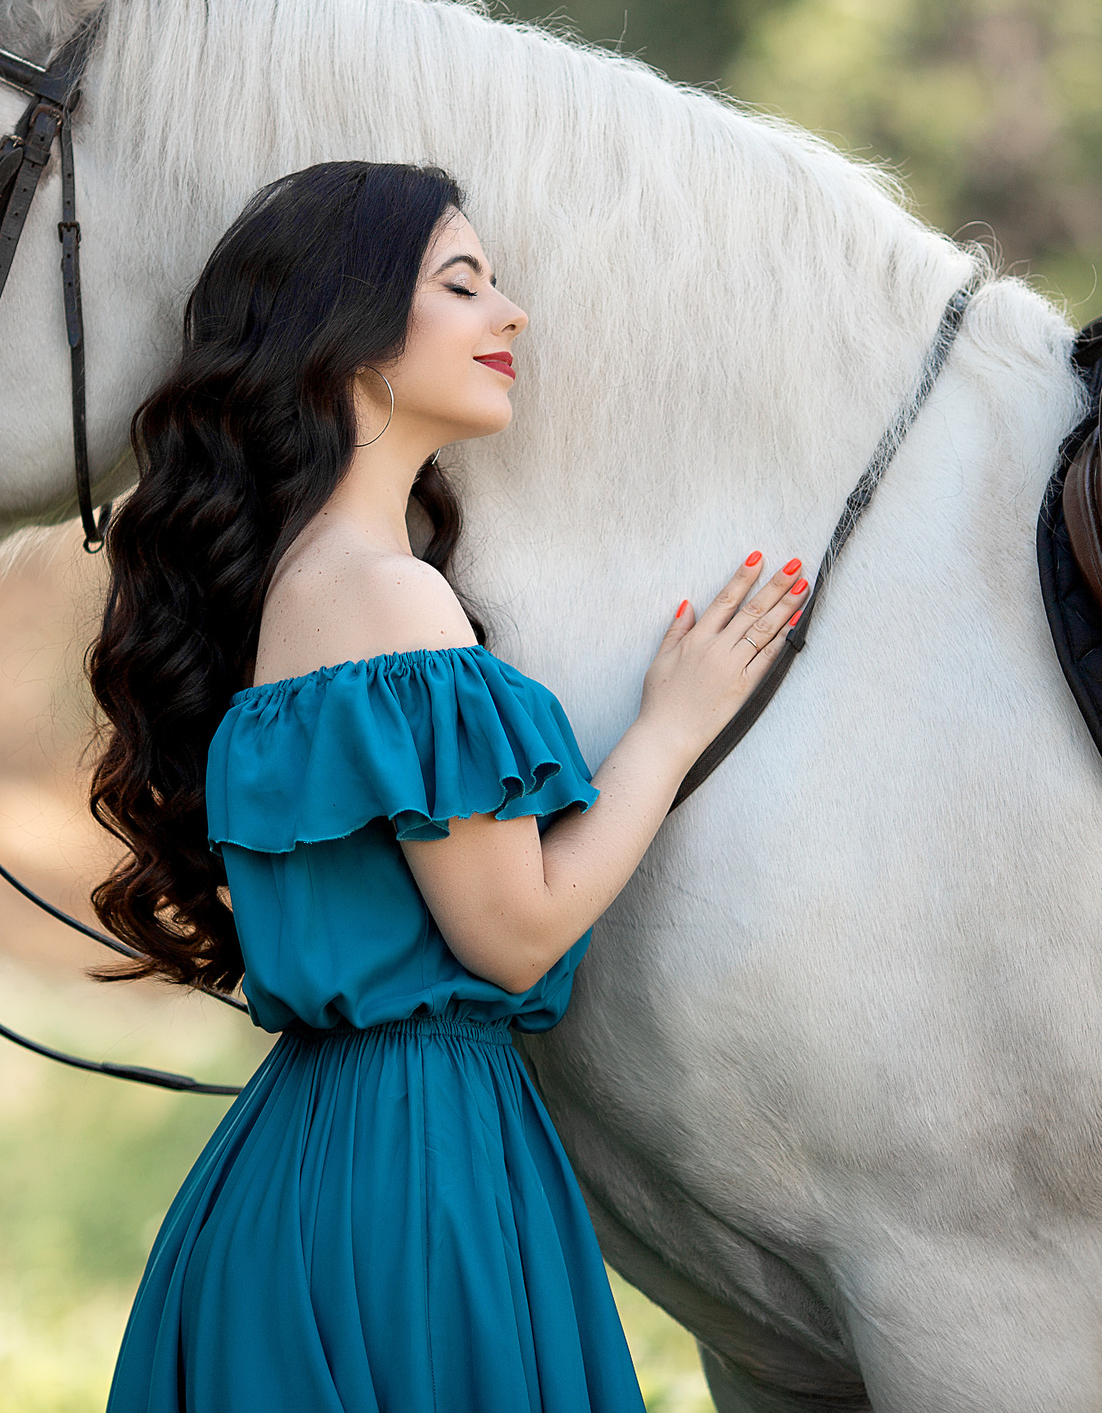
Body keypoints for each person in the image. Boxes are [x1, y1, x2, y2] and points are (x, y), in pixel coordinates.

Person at [88, 160, 804, 1412]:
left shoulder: (308, 588)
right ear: (349, 339)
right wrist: (672, 727)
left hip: (313, 1156)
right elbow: (516, 933)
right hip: (412, 1176)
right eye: (461, 283)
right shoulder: (386, 595)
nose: (508, 313)